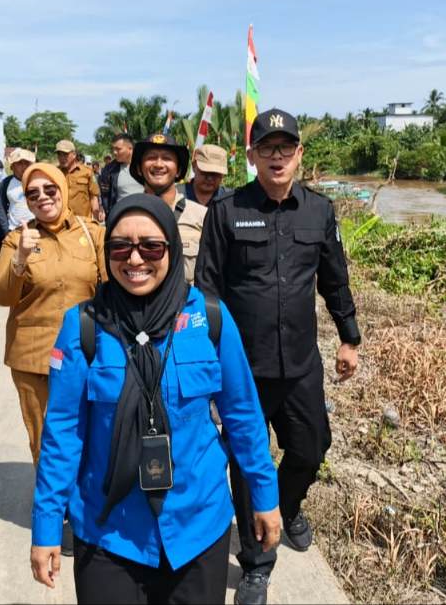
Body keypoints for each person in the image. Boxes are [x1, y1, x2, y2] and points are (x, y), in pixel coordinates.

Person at [30, 194, 281, 605]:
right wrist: (45, 527)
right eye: (120, 247)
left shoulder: (210, 318)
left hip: (197, 525)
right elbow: (61, 435)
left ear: (172, 249)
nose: (135, 259)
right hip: (109, 531)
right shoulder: (84, 325)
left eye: (151, 246)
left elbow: (243, 416)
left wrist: (265, 496)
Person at [196, 109, 361, 605]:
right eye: (266, 148)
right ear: (252, 157)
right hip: (242, 370)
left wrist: (349, 338)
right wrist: (206, 370)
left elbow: (334, 278)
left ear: (299, 156)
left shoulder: (319, 211)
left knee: (312, 449)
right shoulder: (226, 211)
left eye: (285, 148)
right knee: (248, 467)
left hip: (301, 364)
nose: (276, 156)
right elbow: (206, 291)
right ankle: (256, 564)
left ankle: (285, 507)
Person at [0, 162, 106, 468]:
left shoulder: (92, 233)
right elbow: (2, 296)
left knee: (92, 431)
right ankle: (54, 507)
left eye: (50, 189)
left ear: (63, 190)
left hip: (86, 352)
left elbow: (110, 290)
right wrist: (20, 259)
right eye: (32, 193)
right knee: (44, 436)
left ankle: (86, 504)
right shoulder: (17, 239)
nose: (42, 197)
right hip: (33, 357)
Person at [129, 133, 206, 284]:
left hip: (187, 305)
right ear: (139, 168)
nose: (158, 164)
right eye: (151, 157)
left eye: (167, 158)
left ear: (178, 170)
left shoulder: (201, 216)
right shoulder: (126, 216)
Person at [55, 139, 102, 221]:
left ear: (74, 154)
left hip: (83, 222)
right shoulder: (55, 172)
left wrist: (95, 220)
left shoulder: (87, 172)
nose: (62, 158)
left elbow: (93, 197)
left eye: (65, 154)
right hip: (61, 222)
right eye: (59, 154)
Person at [98, 133, 144, 216]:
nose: (114, 152)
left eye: (118, 149)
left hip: (146, 216)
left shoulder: (145, 166)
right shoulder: (109, 170)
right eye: (113, 149)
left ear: (130, 148)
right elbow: (105, 197)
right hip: (120, 218)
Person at [1, 148, 37, 231]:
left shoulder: (37, 181)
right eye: (20, 163)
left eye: (26, 163)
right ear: (12, 167)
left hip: (36, 228)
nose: (24, 166)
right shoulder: (6, 183)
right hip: (14, 230)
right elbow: (1, 208)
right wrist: (6, 230)